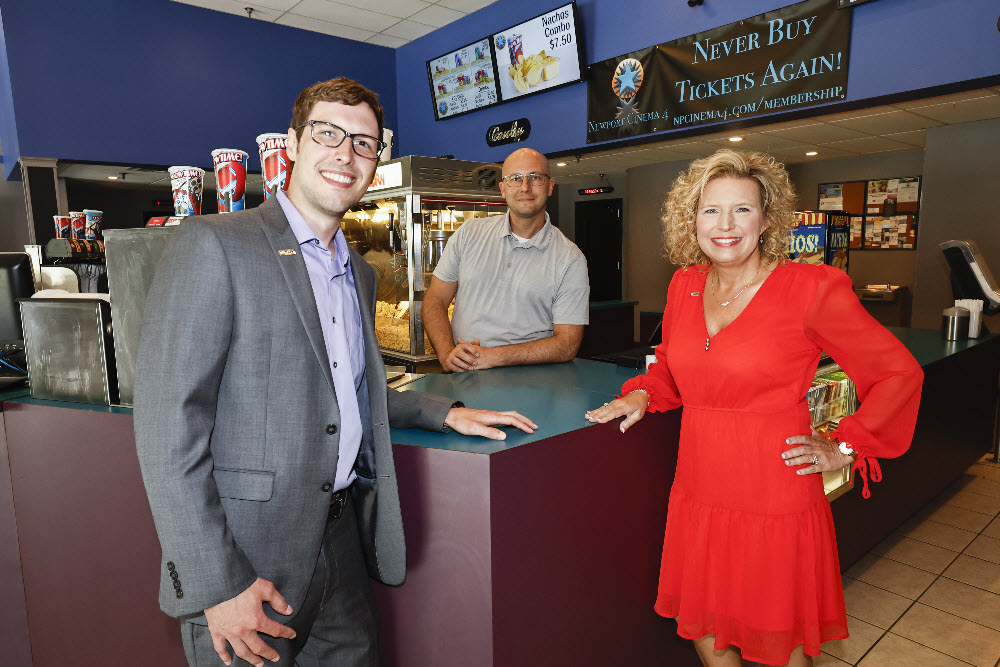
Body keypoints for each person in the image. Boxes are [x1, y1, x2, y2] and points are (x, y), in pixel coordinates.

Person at [133, 77, 537, 667]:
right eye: (328, 134)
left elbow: (347, 390)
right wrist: (216, 583)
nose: (346, 154)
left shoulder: (360, 273)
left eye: (364, 143)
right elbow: (167, 426)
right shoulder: (216, 245)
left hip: (341, 543)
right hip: (247, 558)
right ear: (294, 143)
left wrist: (444, 412)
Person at [585, 149, 923, 667]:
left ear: (766, 220)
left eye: (742, 209)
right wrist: (644, 393)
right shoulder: (684, 285)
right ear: (692, 219)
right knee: (706, 631)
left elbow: (898, 372)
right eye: (711, 210)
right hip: (699, 489)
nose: (725, 225)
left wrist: (846, 447)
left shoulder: (811, 289)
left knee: (779, 646)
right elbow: (673, 369)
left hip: (774, 496)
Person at [423, 147, 590, 373]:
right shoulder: (469, 233)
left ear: (550, 186)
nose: (525, 187)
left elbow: (567, 344)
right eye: (515, 178)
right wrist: (446, 355)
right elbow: (435, 300)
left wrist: (491, 357)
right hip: (461, 377)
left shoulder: (571, 259)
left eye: (535, 177)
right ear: (502, 189)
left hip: (530, 382)